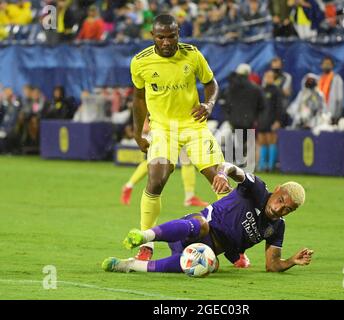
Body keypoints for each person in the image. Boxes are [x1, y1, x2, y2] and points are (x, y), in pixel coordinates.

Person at [129, 14, 229, 261]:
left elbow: (211, 83)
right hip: (162, 128)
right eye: (160, 37)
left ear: (178, 33)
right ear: (153, 36)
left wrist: (209, 104)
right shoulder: (140, 62)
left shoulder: (192, 54)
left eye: (171, 36)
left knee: (220, 181)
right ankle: (147, 242)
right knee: (156, 179)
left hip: (194, 126)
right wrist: (137, 132)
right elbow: (139, 98)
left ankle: (233, 246)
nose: (166, 42)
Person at [102, 161, 314, 273]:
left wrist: (291, 261)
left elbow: (272, 264)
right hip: (190, 229)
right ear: (276, 190)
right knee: (201, 224)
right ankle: (145, 237)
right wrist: (221, 174)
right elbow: (231, 168)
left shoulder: (277, 228)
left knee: (206, 263)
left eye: (287, 209)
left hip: (206, 250)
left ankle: (130, 266)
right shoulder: (257, 189)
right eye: (280, 200)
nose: (279, 209)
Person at [121, 118, 209, 207]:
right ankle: (129, 186)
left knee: (186, 161)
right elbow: (143, 104)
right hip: (164, 126)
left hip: (180, 125)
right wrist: (145, 122)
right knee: (156, 160)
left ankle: (189, 197)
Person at [257, 70, 286, 172]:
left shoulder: (276, 91)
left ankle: (271, 166)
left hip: (272, 119)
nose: (268, 78)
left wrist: (278, 120)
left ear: (274, 79)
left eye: (270, 77)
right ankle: (262, 165)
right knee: (262, 142)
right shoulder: (262, 90)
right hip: (262, 120)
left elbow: (280, 107)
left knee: (271, 141)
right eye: (266, 76)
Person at [317, 56, 344, 124]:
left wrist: (337, 115)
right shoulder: (318, 79)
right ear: (321, 66)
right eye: (325, 64)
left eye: (328, 64)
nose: (326, 65)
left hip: (331, 113)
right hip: (319, 113)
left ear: (332, 66)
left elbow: (340, 98)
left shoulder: (337, 79)